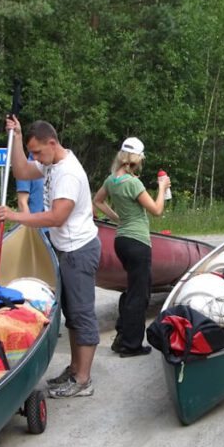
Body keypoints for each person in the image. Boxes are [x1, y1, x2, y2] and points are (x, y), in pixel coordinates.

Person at [0, 118, 100, 398]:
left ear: (52, 143)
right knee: (71, 315)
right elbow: (21, 169)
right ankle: (75, 368)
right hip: (65, 250)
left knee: (82, 314)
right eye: (34, 154)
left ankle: (83, 380)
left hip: (79, 250)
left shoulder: (67, 173)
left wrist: (17, 216)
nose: (36, 158)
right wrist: (17, 137)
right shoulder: (51, 162)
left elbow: (56, 216)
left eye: (39, 152)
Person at [92, 137, 170, 358]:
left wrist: (118, 218)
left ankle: (122, 336)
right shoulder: (133, 183)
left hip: (122, 240)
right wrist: (162, 188)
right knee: (140, 294)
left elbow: (97, 201)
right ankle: (131, 344)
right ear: (138, 159)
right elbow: (156, 210)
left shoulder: (112, 181)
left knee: (132, 289)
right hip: (137, 242)